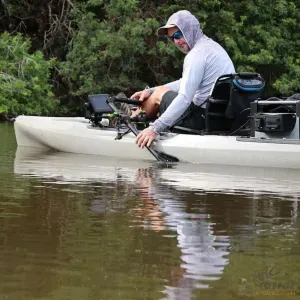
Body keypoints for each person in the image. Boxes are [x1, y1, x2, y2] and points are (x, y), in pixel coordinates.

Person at [131, 10, 235, 149]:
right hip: (220, 119)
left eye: (178, 35)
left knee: (159, 95)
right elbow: (183, 83)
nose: (176, 41)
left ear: (190, 29)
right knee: (158, 91)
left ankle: (130, 121)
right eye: (172, 38)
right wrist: (150, 90)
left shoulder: (196, 55)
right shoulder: (214, 48)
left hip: (200, 121)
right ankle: (136, 114)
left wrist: (155, 129)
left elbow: (185, 98)